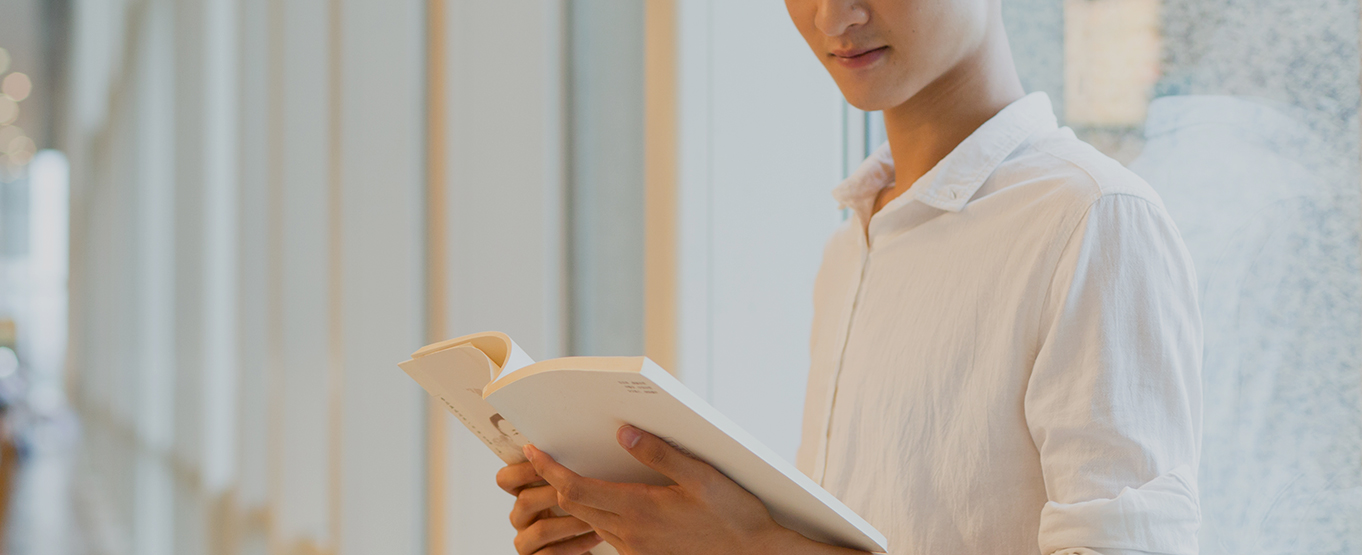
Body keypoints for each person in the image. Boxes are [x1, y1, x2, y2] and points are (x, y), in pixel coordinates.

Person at [497, 0, 1204, 553]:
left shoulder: (1093, 220)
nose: (833, 18)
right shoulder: (853, 245)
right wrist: (633, 525)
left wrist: (751, 548)